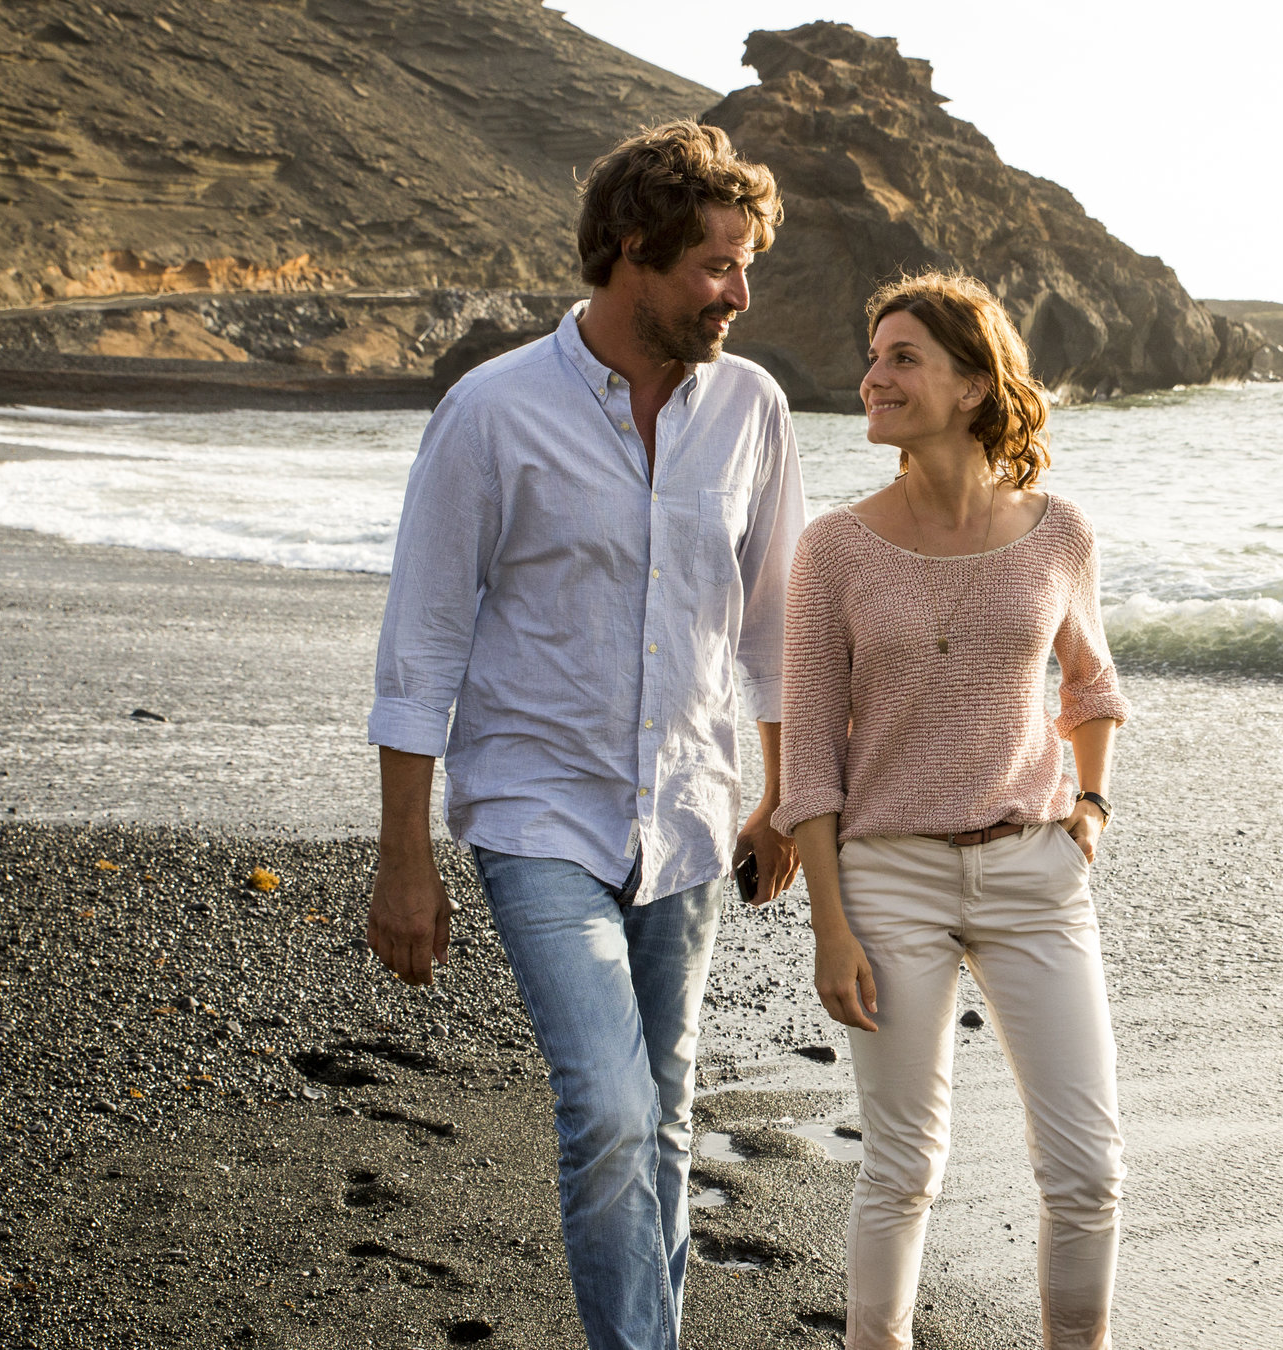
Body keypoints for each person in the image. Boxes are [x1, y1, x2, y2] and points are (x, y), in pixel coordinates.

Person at [363, 120, 805, 1350]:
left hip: (692, 811)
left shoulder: (754, 410)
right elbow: (422, 646)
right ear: (633, 252)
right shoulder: (492, 412)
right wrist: (406, 856)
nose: (740, 293)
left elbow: (772, 626)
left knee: (662, 1112)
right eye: (717, 264)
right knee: (609, 1110)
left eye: (747, 264)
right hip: (536, 811)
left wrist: (782, 799)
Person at [775, 272, 1132, 1350]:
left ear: (976, 389)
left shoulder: (1057, 530)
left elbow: (1093, 686)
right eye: (875, 355)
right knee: (903, 1166)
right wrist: (830, 927)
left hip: (1035, 870)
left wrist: (1093, 808)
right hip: (890, 877)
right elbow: (809, 764)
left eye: (902, 360)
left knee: (1087, 1169)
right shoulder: (834, 548)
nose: (873, 377)